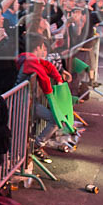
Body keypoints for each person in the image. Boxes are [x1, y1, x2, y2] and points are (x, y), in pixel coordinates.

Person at [16, 33, 68, 161]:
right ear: (37, 48)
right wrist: (51, 95)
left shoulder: (29, 58)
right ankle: (36, 145)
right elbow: (44, 77)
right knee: (55, 120)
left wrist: (58, 79)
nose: (45, 51)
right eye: (43, 48)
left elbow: (47, 66)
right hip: (22, 103)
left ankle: (34, 146)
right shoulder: (30, 60)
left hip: (27, 102)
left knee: (53, 121)